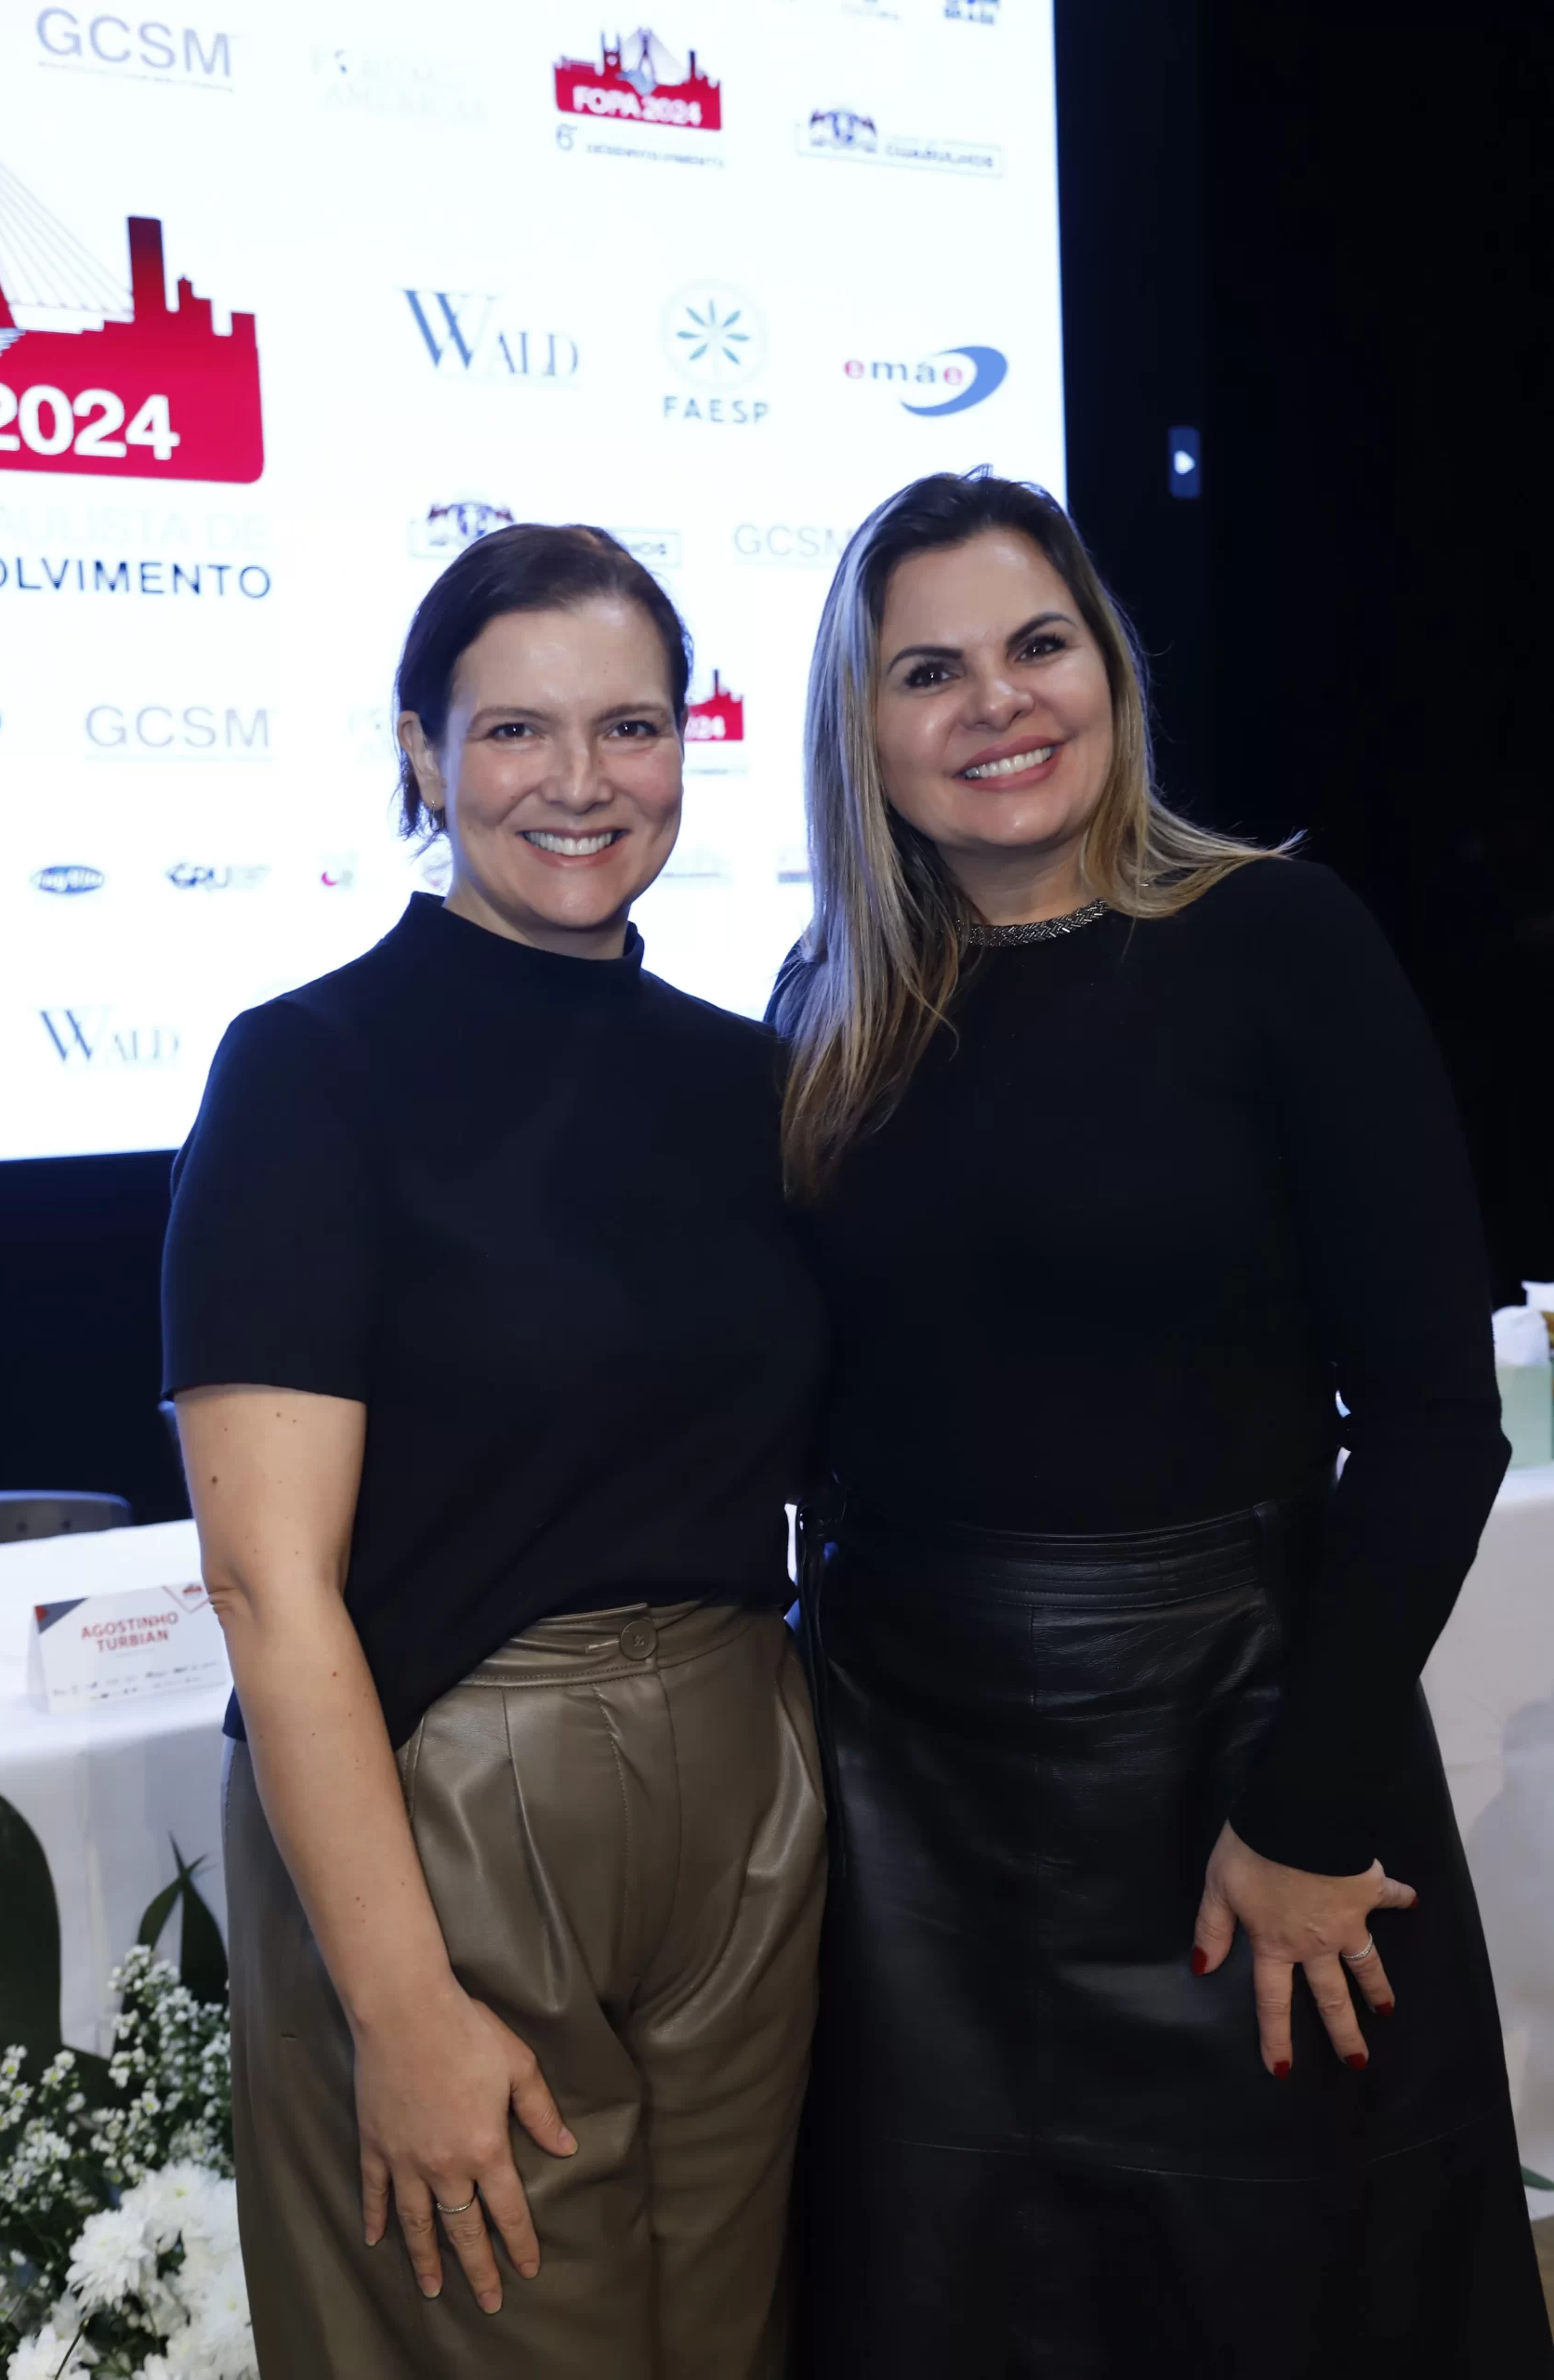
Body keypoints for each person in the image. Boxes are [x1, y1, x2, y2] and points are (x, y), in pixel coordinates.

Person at [769, 469, 1550, 2376]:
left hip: (1243, 1753)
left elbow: (1435, 1421)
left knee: (1295, 2302)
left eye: (1038, 644)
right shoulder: (825, 1001)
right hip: (911, 1800)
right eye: (928, 671)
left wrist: (1304, 1801)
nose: (997, 702)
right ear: (863, 733)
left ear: (1108, 667)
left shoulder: (1277, 939)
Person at [162, 524, 827, 2379]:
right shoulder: (309, 1070)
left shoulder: (749, 1079)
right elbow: (266, 1581)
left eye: (630, 726)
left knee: (731, 2344)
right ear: (421, 750)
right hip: (442, 1811)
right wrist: (397, 2003)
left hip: (748, 1788)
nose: (580, 780)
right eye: (517, 728)